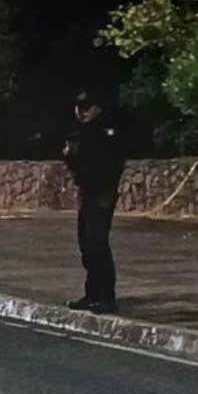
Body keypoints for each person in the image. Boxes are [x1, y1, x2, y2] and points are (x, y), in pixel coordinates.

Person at [63, 91, 125, 313]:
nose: (82, 111)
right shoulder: (80, 133)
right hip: (87, 193)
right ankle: (92, 295)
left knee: (98, 243)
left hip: (101, 195)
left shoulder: (106, 132)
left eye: (87, 107)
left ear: (97, 108)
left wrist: (107, 192)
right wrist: (70, 156)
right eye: (79, 107)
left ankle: (106, 297)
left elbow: (113, 164)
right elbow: (79, 166)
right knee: (86, 245)